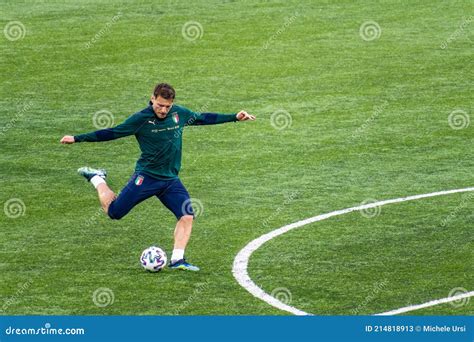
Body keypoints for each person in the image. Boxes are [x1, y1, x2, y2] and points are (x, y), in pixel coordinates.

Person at [60, 83, 255, 271]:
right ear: (152, 98)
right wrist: (77, 138)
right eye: (159, 105)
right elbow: (112, 133)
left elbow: (203, 118)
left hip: (170, 180)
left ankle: (178, 259)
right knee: (114, 212)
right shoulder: (141, 119)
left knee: (187, 214)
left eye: (167, 106)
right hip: (147, 177)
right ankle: (97, 178)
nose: (163, 110)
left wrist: (234, 117)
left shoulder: (179, 113)